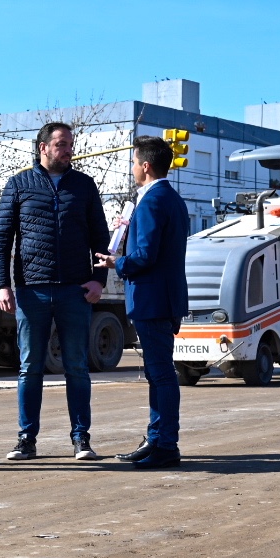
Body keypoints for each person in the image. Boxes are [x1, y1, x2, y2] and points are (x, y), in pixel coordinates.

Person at [0, 122, 112, 462]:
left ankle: (81, 439)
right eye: (61, 144)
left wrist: (98, 281)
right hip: (32, 292)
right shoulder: (18, 185)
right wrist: (3, 285)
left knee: (76, 366)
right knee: (30, 367)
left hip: (75, 291)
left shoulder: (84, 186)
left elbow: (100, 239)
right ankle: (26, 439)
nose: (68, 150)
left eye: (70, 144)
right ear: (43, 147)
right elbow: (2, 240)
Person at [93, 135, 189, 469]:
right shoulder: (172, 198)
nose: (132, 168)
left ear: (145, 166)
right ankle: (156, 438)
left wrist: (115, 263)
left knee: (161, 374)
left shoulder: (151, 201)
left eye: (134, 162)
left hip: (152, 300)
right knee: (157, 372)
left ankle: (165, 444)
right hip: (165, 298)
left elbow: (145, 255)